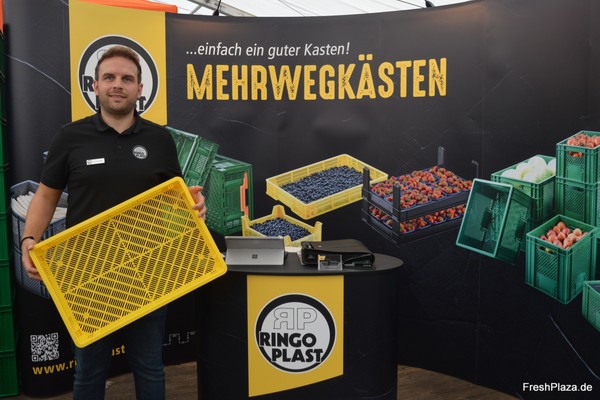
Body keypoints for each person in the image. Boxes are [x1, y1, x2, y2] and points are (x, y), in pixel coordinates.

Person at [20, 45, 206, 400]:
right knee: (88, 372)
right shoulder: (70, 137)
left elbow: (177, 197)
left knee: (149, 367)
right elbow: (45, 196)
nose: (117, 84)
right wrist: (30, 238)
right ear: (95, 85)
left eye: (126, 78)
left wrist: (195, 204)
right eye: (109, 77)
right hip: (87, 272)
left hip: (147, 270)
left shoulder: (160, 139)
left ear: (140, 89)